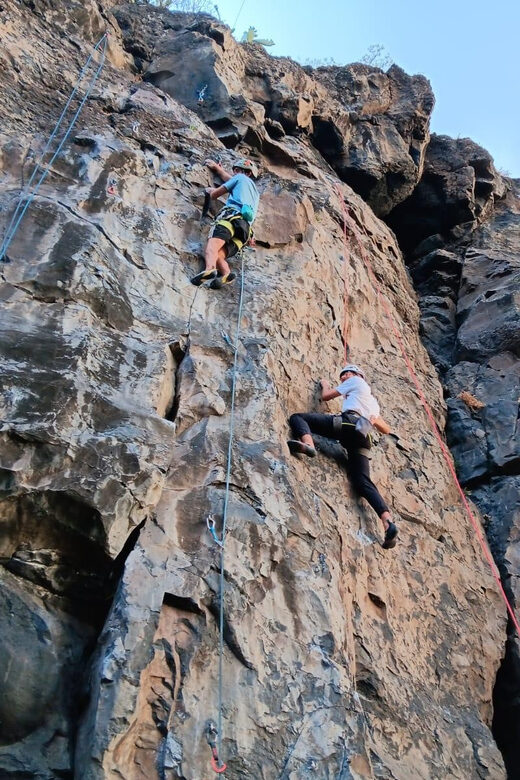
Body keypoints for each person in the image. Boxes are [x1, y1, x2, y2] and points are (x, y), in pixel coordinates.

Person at [287, 364, 398, 549]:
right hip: (364, 435)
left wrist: (324, 384)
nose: (345, 376)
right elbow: (386, 429)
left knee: (298, 418)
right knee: (362, 481)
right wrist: (371, 418)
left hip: (349, 423)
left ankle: (309, 445)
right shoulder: (372, 402)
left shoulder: (356, 382)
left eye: (348, 373)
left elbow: (326, 396)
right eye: (343, 375)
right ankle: (387, 521)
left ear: (358, 375)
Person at [191, 157, 260, 289]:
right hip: (245, 231)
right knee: (219, 254)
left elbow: (215, 195)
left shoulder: (238, 178)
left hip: (231, 218)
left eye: (236, 171)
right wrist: (218, 169)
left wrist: (211, 191)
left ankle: (209, 269)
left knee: (211, 247)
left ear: (244, 172)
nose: (234, 174)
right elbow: (230, 180)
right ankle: (225, 274)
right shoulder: (255, 192)